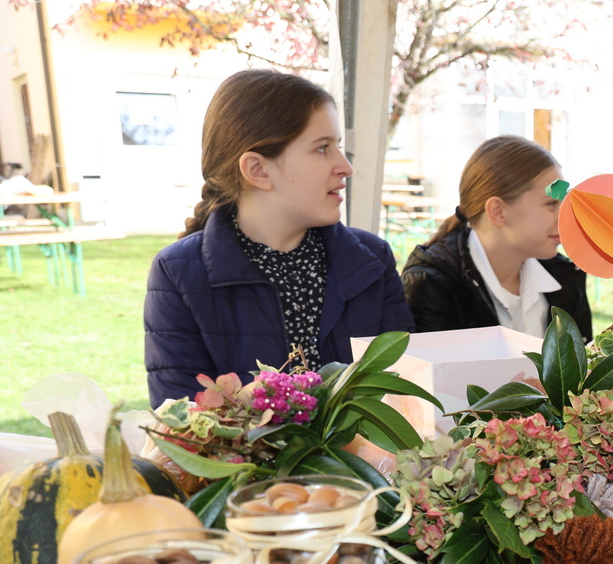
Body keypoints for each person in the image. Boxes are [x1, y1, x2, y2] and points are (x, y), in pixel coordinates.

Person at [144, 70, 413, 407]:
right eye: (322, 148)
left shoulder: (371, 260)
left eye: (338, 147)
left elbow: (406, 395)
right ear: (258, 170)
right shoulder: (179, 274)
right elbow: (183, 421)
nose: (345, 166)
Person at [401, 136, 593, 339]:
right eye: (551, 204)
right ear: (498, 211)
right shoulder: (433, 286)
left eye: (564, 203)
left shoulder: (563, 276)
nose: (565, 217)